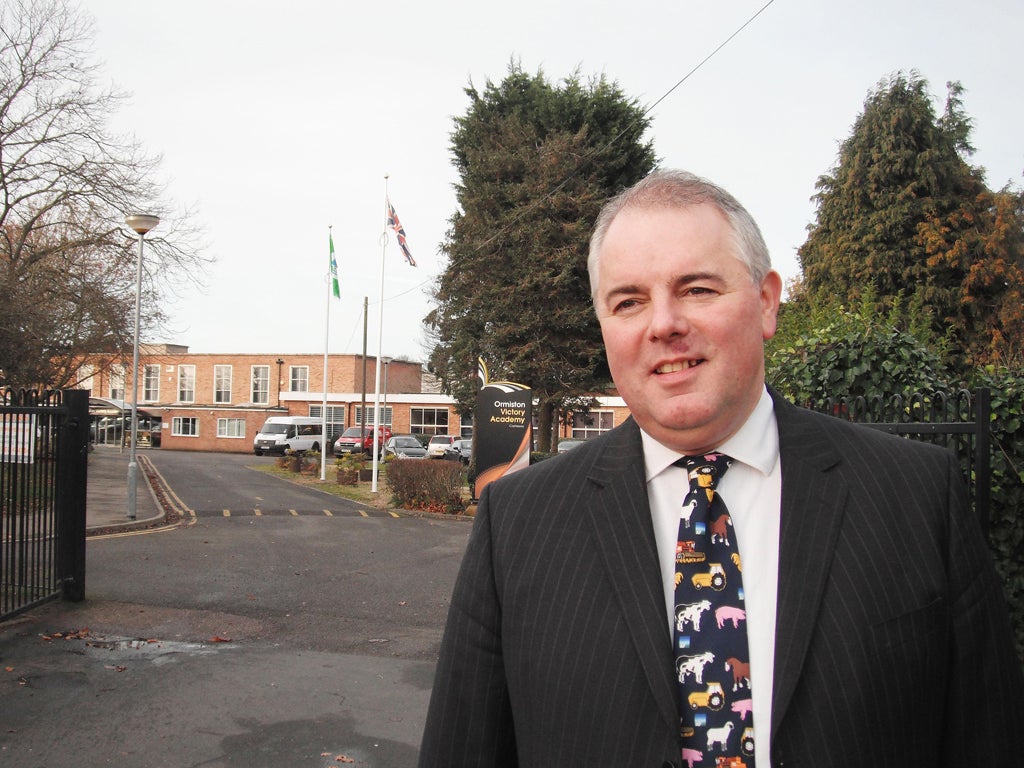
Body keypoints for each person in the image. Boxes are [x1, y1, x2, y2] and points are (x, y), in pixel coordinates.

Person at [417, 169, 1024, 767]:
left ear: (765, 302)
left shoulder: (917, 495)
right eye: (628, 302)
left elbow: (986, 738)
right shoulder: (519, 523)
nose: (663, 325)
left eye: (698, 289)